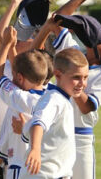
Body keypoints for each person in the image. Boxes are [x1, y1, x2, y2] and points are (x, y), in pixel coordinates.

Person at [32, 0, 101, 179]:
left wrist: (72, 81)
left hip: (80, 138)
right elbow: (59, 19)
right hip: (54, 134)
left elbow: (85, 106)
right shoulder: (74, 52)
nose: (96, 32)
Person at [0, 27, 48, 178]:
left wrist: (6, 44)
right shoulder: (51, 98)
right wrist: (12, 47)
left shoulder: (20, 99)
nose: (10, 78)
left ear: (19, 78)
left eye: (12, 75)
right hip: (42, 168)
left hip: (18, 167)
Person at [18, 48, 88, 178]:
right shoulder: (54, 99)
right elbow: (39, 124)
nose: (82, 83)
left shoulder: (61, 99)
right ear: (58, 75)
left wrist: (25, 127)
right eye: (76, 77)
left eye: (85, 77)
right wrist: (35, 149)